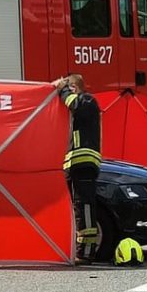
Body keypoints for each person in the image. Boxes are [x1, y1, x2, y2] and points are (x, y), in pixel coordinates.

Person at [53, 74, 102, 265]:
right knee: (78, 209)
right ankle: (77, 248)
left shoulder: (87, 100)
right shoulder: (75, 110)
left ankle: (87, 252)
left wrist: (61, 88)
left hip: (84, 162)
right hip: (74, 164)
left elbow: (73, 102)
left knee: (85, 207)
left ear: (74, 87)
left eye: (69, 87)